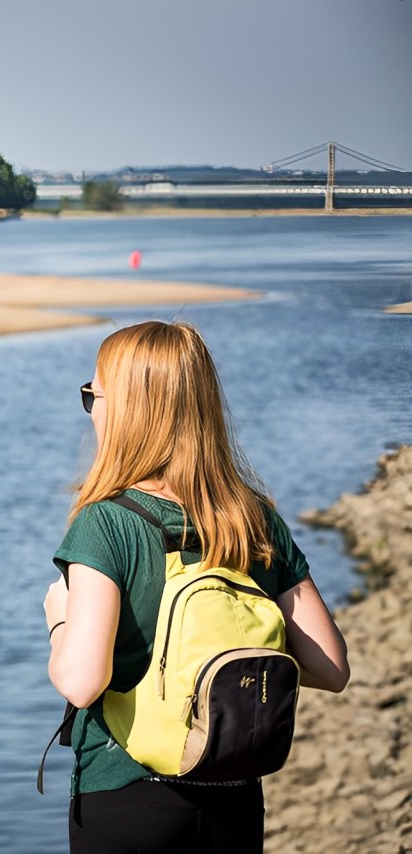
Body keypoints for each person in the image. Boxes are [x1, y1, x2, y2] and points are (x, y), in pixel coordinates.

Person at [44, 320, 350, 853]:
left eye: (92, 394)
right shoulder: (255, 519)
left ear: (126, 411)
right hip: (234, 799)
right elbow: (331, 667)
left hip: (127, 796)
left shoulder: (106, 523)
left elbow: (80, 682)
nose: (90, 408)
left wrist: (60, 618)